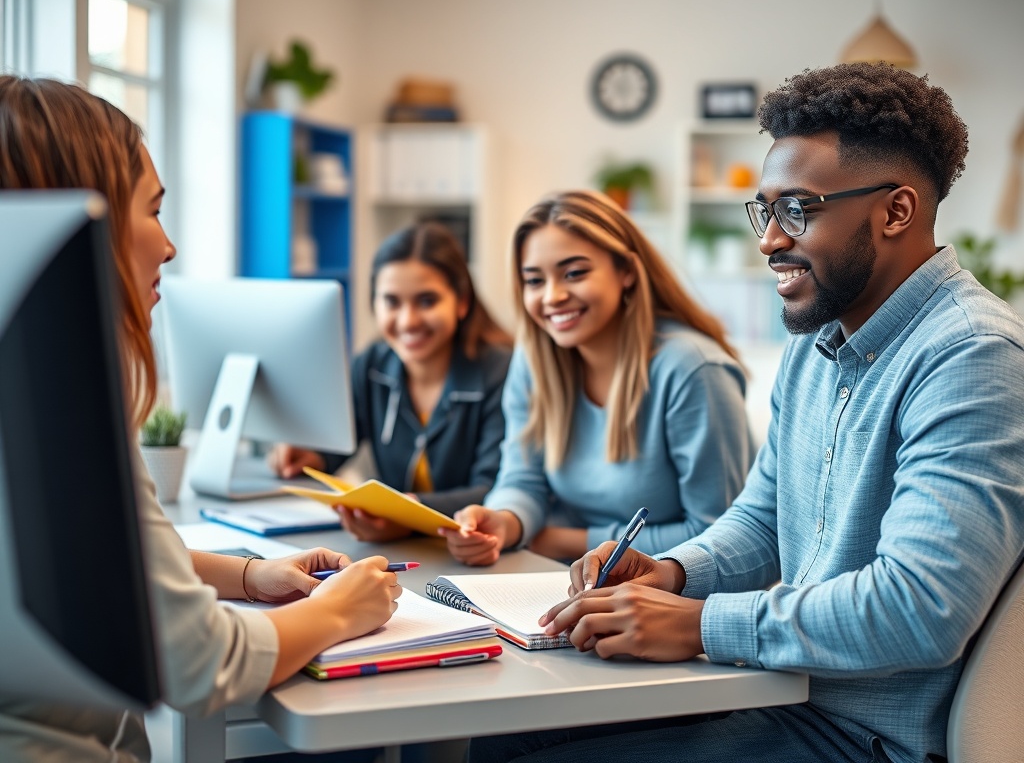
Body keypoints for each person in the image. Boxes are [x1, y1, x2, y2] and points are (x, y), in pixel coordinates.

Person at [469, 64, 1024, 763]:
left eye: (799, 209)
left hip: (856, 738)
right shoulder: (819, 338)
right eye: (765, 211)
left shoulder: (972, 356)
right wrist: (670, 572)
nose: (768, 241)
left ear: (895, 211)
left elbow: (919, 608)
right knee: (498, 733)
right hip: (777, 689)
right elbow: (763, 517)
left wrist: (701, 623)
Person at [0, 76, 403, 762]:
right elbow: (202, 662)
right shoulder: (59, 414)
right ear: (82, 220)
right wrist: (342, 607)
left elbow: (74, 564)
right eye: (152, 212)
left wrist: (246, 575)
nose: (168, 246)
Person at [442, 190, 754, 566]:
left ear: (625, 272)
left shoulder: (693, 370)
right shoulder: (535, 357)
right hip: (564, 578)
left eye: (574, 273)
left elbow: (720, 537)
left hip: (669, 597)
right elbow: (522, 481)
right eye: (534, 280)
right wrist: (503, 522)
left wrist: (564, 541)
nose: (553, 296)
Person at [269, 221, 514, 542]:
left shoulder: (501, 372)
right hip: (406, 549)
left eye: (427, 301)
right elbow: (344, 439)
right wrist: (312, 456)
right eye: (392, 302)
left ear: (462, 303)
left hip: (474, 551)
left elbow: (496, 490)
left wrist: (408, 512)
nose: (408, 320)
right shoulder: (372, 364)